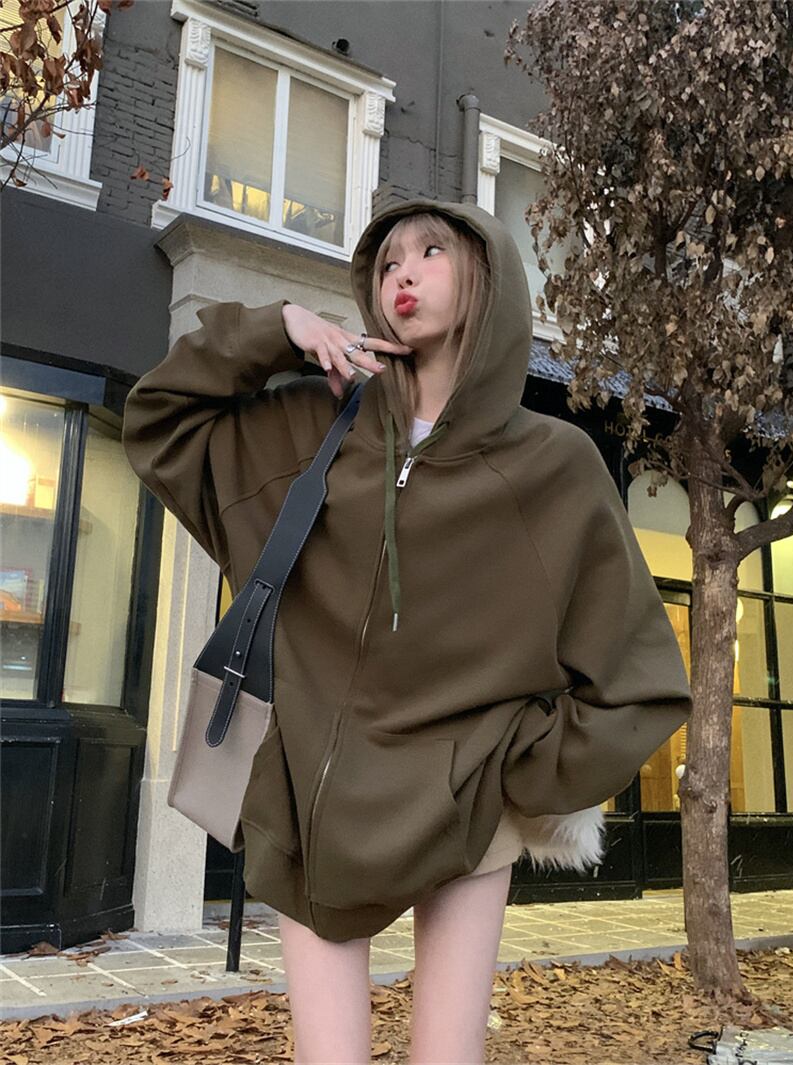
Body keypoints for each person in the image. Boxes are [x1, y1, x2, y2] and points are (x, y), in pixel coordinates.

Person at [122, 197, 693, 1064]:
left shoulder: (556, 466)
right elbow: (158, 418)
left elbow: (642, 684)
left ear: (485, 276)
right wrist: (279, 329)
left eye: (431, 252)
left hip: (467, 805)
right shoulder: (314, 425)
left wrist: (517, 764)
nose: (403, 273)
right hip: (310, 807)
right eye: (388, 261)